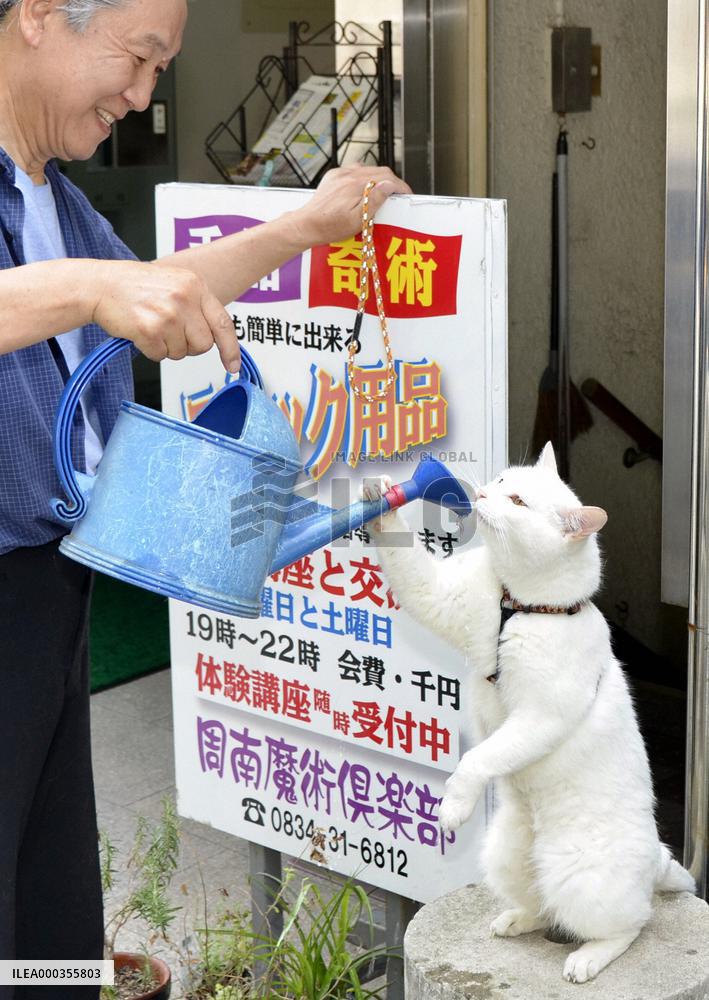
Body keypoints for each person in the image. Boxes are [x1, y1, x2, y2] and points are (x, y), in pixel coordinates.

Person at [0, 0, 411, 993]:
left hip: (50, 591)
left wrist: (307, 223)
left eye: (161, 69)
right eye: (138, 57)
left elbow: (159, 285)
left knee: (49, 899)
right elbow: (101, 291)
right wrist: (91, 291)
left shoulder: (52, 194)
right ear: (41, 15)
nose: (144, 96)